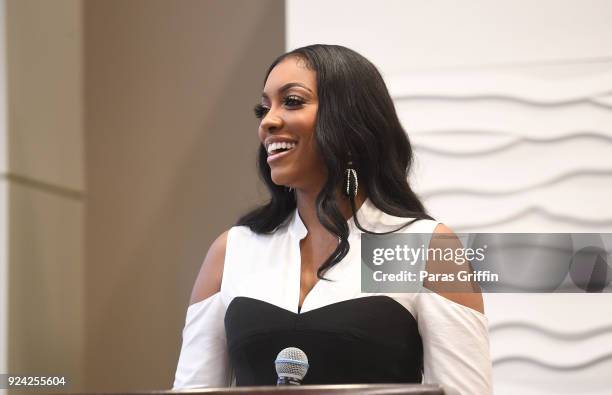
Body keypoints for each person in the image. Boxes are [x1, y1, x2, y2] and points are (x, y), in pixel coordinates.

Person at [173, 44, 492, 394]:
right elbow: (193, 390)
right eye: (262, 109)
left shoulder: (422, 247)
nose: (268, 122)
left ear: (352, 121)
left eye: (292, 101)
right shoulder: (233, 249)